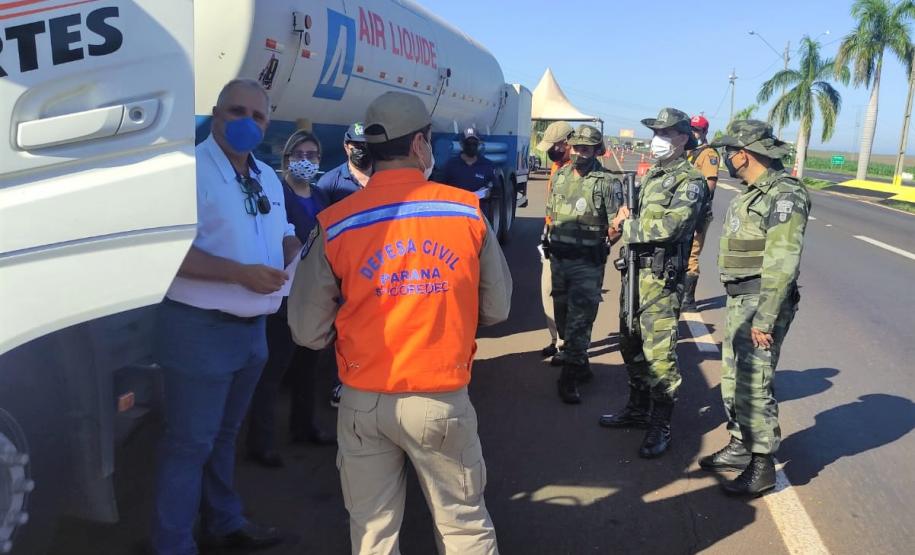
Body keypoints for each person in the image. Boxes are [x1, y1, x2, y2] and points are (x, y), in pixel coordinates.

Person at [288, 91, 511, 554]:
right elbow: (497, 308)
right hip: (440, 398)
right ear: (419, 144)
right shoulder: (465, 210)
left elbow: (307, 331)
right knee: (464, 527)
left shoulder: (336, 222)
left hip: (362, 401)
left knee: (373, 533)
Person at [152, 79, 294, 554]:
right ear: (216, 114)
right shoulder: (187, 172)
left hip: (252, 331)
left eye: (258, 116)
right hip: (198, 330)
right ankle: (173, 544)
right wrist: (238, 273)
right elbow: (163, 251)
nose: (247, 123)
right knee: (189, 443)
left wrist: (293, 247)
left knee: (224, 436)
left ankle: (224, 521)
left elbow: (282, 228)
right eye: (237, 112)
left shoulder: (266, 175)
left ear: (267, 125)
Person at [699, 120, 809, 496]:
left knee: (755, 382)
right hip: (741, 299)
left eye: (730, 152)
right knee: (734, 379)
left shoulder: (784, 194)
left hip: (762, 301)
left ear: (744, 155)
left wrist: (766, 316)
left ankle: (762, 465)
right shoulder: (752, 193)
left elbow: (783, 260)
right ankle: (740, 444)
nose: (727, 158)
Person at [600, 107, 708, 459]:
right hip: (635, 273)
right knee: (630, 343)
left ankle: (660, 425)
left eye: (665, 133)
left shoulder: (689, 180)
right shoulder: (653, 176)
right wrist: (620, 221)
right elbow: (634, 218)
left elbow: (672, 227)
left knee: (659, 356)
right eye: (656, 133)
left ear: (683, 138)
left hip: (661, 280)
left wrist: (627, 226)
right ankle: (637, 408)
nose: (657, 140)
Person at [245, 130, 335, 470]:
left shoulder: (321, 195)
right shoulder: (278, 194)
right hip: (283, 295)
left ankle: (304, 427)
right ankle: (261, 443)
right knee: (272, 372)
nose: (306, 161)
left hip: (312, 296)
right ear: (286, 159)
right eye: (299, 155)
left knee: (307, 368)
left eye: (312, 155)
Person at [545, 124, 623, 404]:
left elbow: (617, 223)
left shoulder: (607, 182)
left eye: (586, 149)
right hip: (559, 258)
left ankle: (569, 378)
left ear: (596, 151)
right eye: (577, 147)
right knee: (562, 314)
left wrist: (604, 245)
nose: (580, 153)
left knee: (580, 319)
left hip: (587, 262)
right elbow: (552, 214)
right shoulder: (561, 175)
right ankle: (580, 362)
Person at [535, 121, 574, 362]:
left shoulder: (579, 169)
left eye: (554, 146)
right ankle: (556, 339)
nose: (551, 151)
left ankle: (568, 345)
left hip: (570, 240)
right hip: (551, 235)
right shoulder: (556, 165)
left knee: (566, 295)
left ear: (567, 143)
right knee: (548, 290)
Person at [682, 115, 720, 310]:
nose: (693, 133)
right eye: (691, 129)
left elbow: (710, 184)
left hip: (697, 212)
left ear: (704, 132)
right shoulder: (687, 151)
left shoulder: (708, 154)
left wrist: (697, 206)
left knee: (692, 254)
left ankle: (688, 300)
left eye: (696, 130)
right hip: (682, 211)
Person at [314, 122, 373, 205]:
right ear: (346, 147)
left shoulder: (384, 177)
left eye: (366, 145)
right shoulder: (329, 182)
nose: (362, 149)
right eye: (357, 145)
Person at [440, 127, 499, 196]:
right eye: (468, 143)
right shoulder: (451, 165)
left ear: (478, 144)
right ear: (461, 144)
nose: (472, 146)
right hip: (456, 201)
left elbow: (495, 188)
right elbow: (441, 188)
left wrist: (489, 191)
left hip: (479, 202)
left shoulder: (488, 165)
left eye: (474, 143)